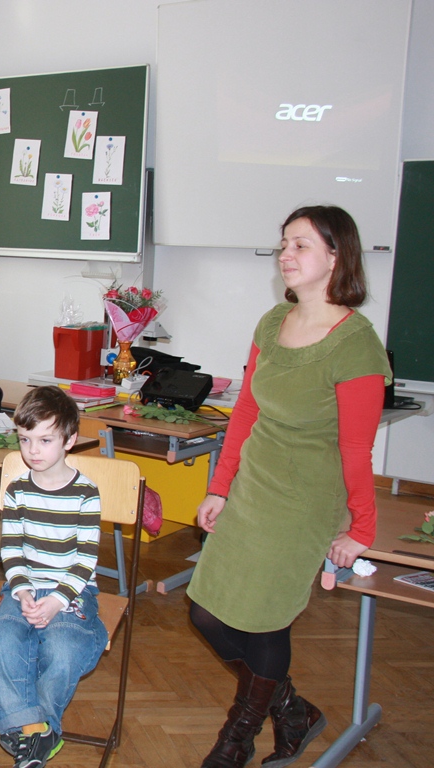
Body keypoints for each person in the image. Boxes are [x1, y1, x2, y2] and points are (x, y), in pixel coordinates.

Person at [187, 206, 391, 768]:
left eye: (301, 245)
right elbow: (246, 411)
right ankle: (293, 710)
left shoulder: (356, 345)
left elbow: (356, 449)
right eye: (284, 244)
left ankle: (237, 736)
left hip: (305, 501)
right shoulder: (272, 323)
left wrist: (362, 529)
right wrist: (220, 487)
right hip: (255, 486)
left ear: (337, 256)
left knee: (265, 619)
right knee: (205, 610)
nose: (286, 254)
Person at [0, 386, 108, 768]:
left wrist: (56, 601)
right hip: (24, 586)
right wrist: (22, 592)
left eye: (45, 440)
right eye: (25, 439)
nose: (33, 450)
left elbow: (85, 561)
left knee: (64, 646)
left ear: (69, 440)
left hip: (72, 590)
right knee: (2, 636)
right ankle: (35, 729)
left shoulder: (86, 493)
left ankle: (32, 726)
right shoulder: (17, 490)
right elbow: (11, 551)